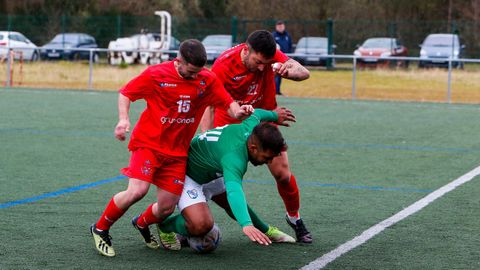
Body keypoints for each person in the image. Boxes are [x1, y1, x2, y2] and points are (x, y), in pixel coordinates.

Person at [90, 39, 253, 257]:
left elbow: (229, 105)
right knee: (137, 191)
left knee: (166, 207)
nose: (196, 76)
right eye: (191, 71)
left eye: (199, 71)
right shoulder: (156, 74)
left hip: (177, 154)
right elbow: (126, 93)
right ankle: (100, 228)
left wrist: (239, 112)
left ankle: (141, 223)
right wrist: (123, 120)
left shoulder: (207, 79)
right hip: (148, 144)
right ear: (179, 61)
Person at [200, 30, 313, 243]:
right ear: (245, 51)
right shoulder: (223, 65)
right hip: (231, 125)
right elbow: (209, 104)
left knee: (283, 174)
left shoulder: (271, 55)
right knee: (213, 182)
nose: (263, 68)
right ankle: (192, 224)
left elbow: (303, 73)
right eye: (258, 62)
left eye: (267, 63)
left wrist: (288, 72)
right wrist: (206, 136)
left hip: (264, 119)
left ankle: (294, 218)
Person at [154, 108, 297, 249]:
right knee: (201, 225)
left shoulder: (252, 129)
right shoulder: (234, 158)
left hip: (209, 168)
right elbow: (234, 191)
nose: (269, 161)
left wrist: (274, 115)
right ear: (253, 148)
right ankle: (166, 226)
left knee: (228, 203)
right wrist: (246, 224)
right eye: (267, 157)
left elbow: (257, 114)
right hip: (187, 175)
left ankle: (266, 230)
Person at [272, 21, 293, 95]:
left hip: (285, 59)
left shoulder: (287, 35)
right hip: (276, 59)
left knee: (281, 75)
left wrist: (290, 57)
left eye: (282, 26)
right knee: (275, 75)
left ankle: (277, 91)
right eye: (279, 26)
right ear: (276, 27)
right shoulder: (273, 36)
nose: (280, 28)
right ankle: (273, 92)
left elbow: (290, 46)